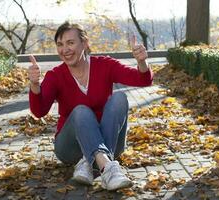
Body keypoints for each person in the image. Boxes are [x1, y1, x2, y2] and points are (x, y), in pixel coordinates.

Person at [28, 21, 153, 191]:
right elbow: (39, 111)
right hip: (70, 148)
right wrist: (35, 85)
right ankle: (108, 169)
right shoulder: (56, 75)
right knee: (81, 111)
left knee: (119, 99)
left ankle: (90, 163)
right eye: (60, 44)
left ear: (85, 43)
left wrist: (142, 63)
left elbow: (142, 80)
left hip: (109, 141)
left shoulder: (105, 65)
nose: (65, 50)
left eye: (70, 43)